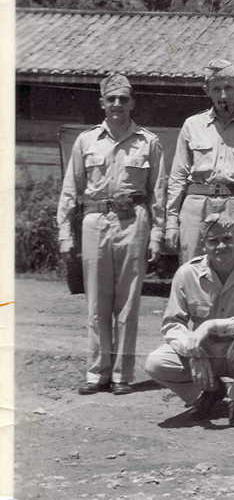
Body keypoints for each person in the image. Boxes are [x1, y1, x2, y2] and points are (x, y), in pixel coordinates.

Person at [57, 73, 166, 396]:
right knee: (96, 303)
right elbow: (69, 191)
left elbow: (157, 192)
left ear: (133, 103)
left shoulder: (149, 142)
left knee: (128, 303)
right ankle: (97, 373)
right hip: (94, 221)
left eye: (123, 99)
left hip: (134, 222)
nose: (117, 105)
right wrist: (65, 233)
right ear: (102, 102)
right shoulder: (86, 141)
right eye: (111, 99)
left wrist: (157, 235)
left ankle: (122, 375)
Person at [146, 213, 234, 427]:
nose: (221, 246)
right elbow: (172, 324)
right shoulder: (187, 273)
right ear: (203, 244)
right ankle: (211, 391)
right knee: (155, 363)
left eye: (227, 239)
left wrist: (213, 325)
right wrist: (193, 352)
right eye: (213, 241)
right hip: (203, 351)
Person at [165, 59, 234, 264]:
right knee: (193, 271)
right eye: (217, 89)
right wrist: (171, 222)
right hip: (196, 207)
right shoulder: (192, 125)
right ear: (207, 91)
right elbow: (177, 176)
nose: (223, 95)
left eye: (229, 87)